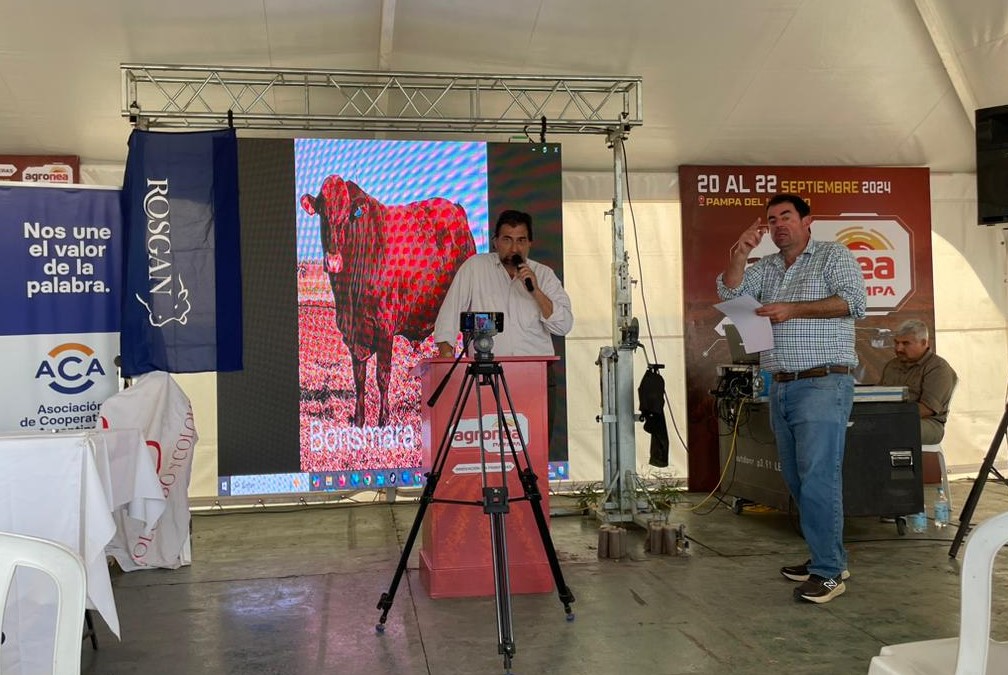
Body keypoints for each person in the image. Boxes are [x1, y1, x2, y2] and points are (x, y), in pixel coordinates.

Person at [716, 193, 867, 604]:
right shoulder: (764, 266)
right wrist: (740, 251)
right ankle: (826, 555)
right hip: (780, 384)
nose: (779, 224)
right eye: (771, 219)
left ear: (807, 221)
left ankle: (829, 571)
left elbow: (854, 302)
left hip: (823, 382)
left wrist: (793, 310)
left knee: (819, 477)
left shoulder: (832, 257)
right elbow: (730, 293)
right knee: (797, 480)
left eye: (787, 216)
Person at [434, 209, 573, 358]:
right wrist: (446, 357)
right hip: (487, 372)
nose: (514, 248)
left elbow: (563, 326)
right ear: (495, 242)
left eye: (521, 240)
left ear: (529, 243)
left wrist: (536, 292)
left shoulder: (544, 274)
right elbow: (449, 315)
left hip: (535, 370)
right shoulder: (475, 267)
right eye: (507, 240)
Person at [879, 319, 957, 445]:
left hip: (928, 423)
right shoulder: (891, 365)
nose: (899, 348)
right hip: (891, 418)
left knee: (893, 429)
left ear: (924, 343)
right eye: (896, 343)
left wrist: (890, 417)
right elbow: (880, 397)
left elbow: (928, 409)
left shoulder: (938, 368)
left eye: (906, 343)